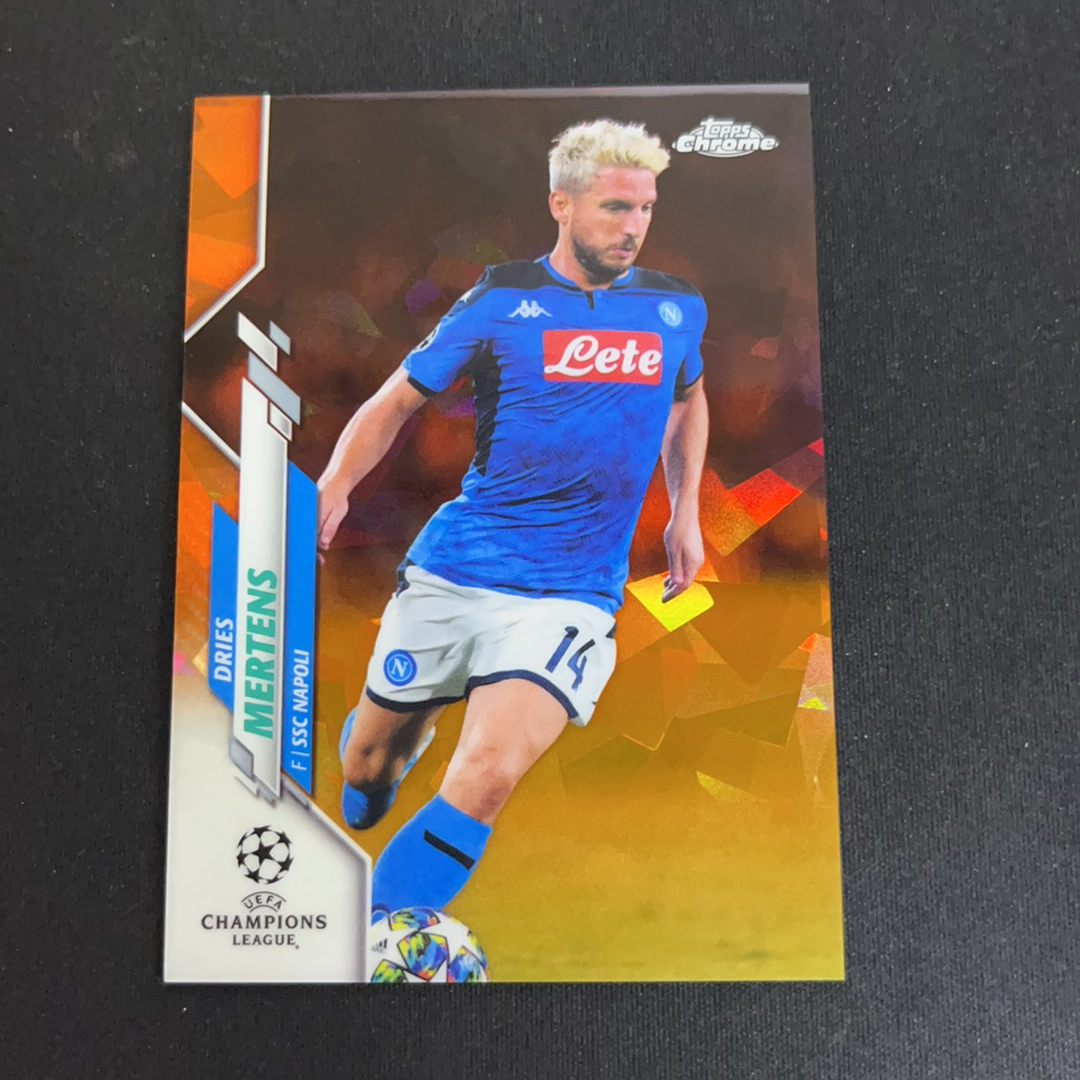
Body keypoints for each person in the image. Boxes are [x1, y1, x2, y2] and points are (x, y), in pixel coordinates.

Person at [316, 119, 710, 919]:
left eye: (645, 208)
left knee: (487, 774)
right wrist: (335, 484)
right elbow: (395, 401)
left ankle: (374, 943)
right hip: (458, 569)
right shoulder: (501, 299)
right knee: (365, 771)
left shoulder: (675, 308)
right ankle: (380, 749)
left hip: (572, 593)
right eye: (615, 207)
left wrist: (686, 512)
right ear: (561, 204)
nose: (633, 226)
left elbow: (689, 397)